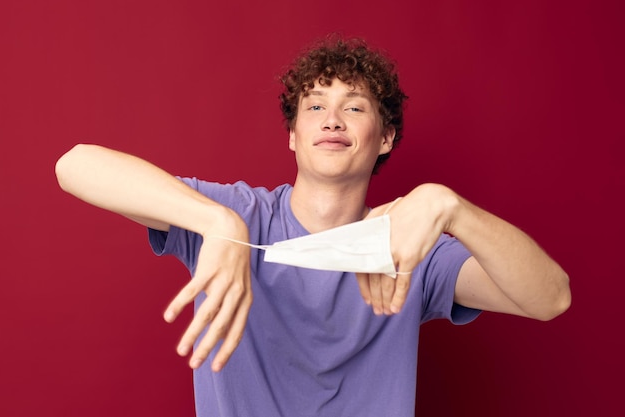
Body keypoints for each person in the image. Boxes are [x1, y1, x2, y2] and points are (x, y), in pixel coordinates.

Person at [55, 36, 571, 417]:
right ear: (293, 137)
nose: (332, 120)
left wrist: (449, 206)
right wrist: (216, 222)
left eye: (354, 107)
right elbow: (74, 165)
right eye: (316, 106)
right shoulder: (238, 214)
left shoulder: (411, 244)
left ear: (385, 137)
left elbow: (550, 298)